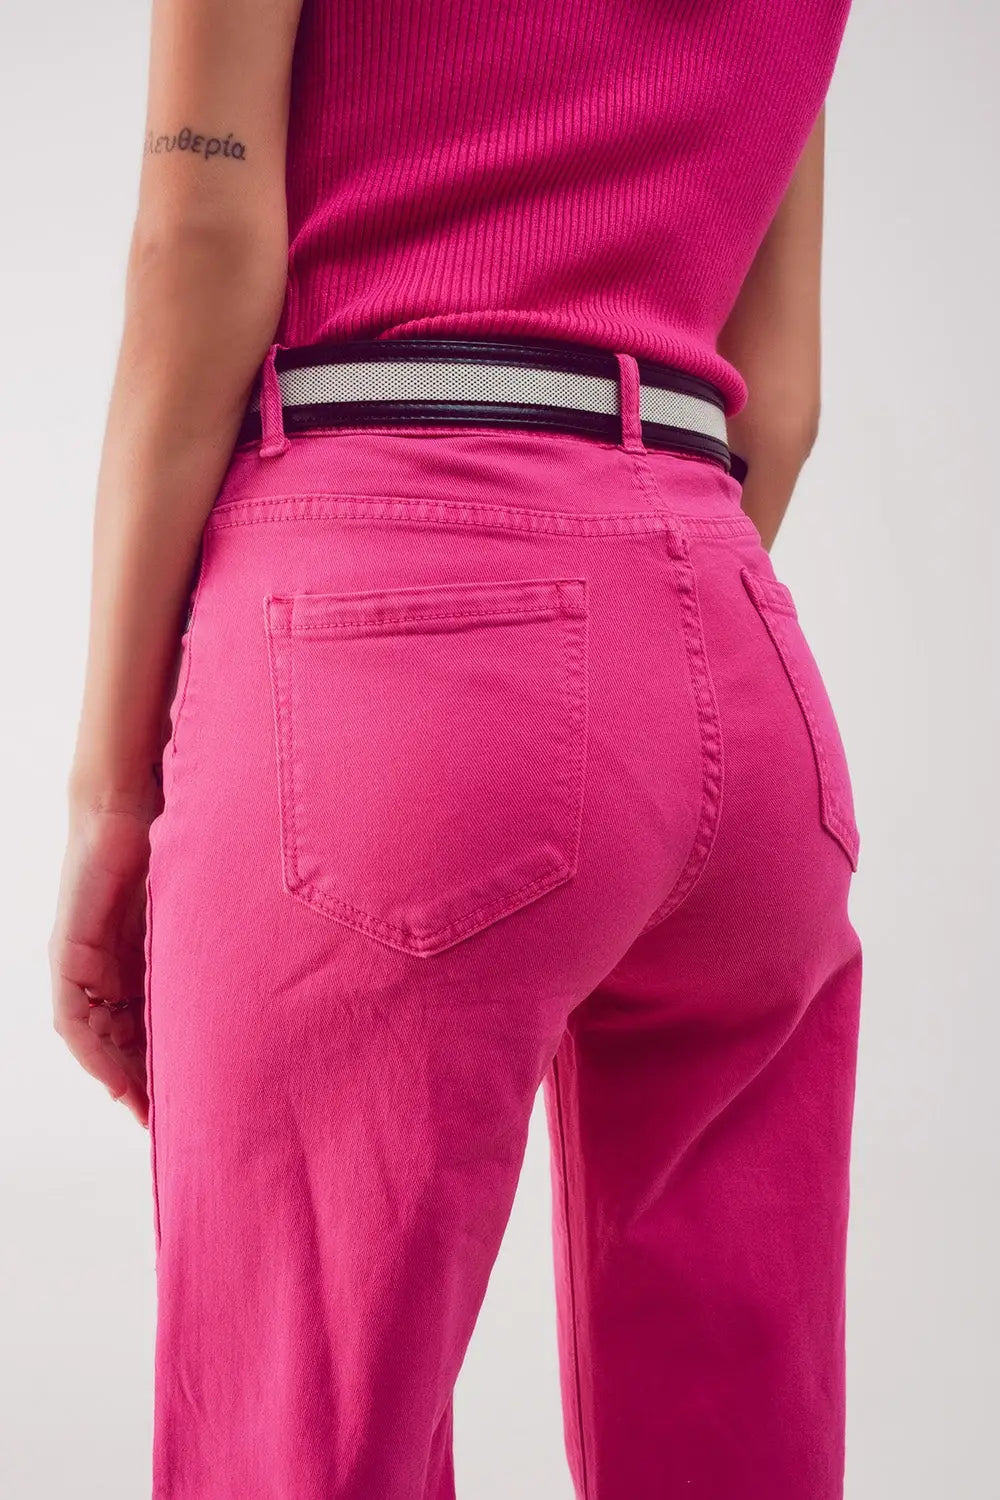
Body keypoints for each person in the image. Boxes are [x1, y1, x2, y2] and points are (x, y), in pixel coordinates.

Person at [48, 0, 862, 1495]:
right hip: (738, 654)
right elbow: (785, 395)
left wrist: (111, 796)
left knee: (299, 1444)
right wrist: (633, 659)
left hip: (392, 619)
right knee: (732, 1437)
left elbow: (200, 244)